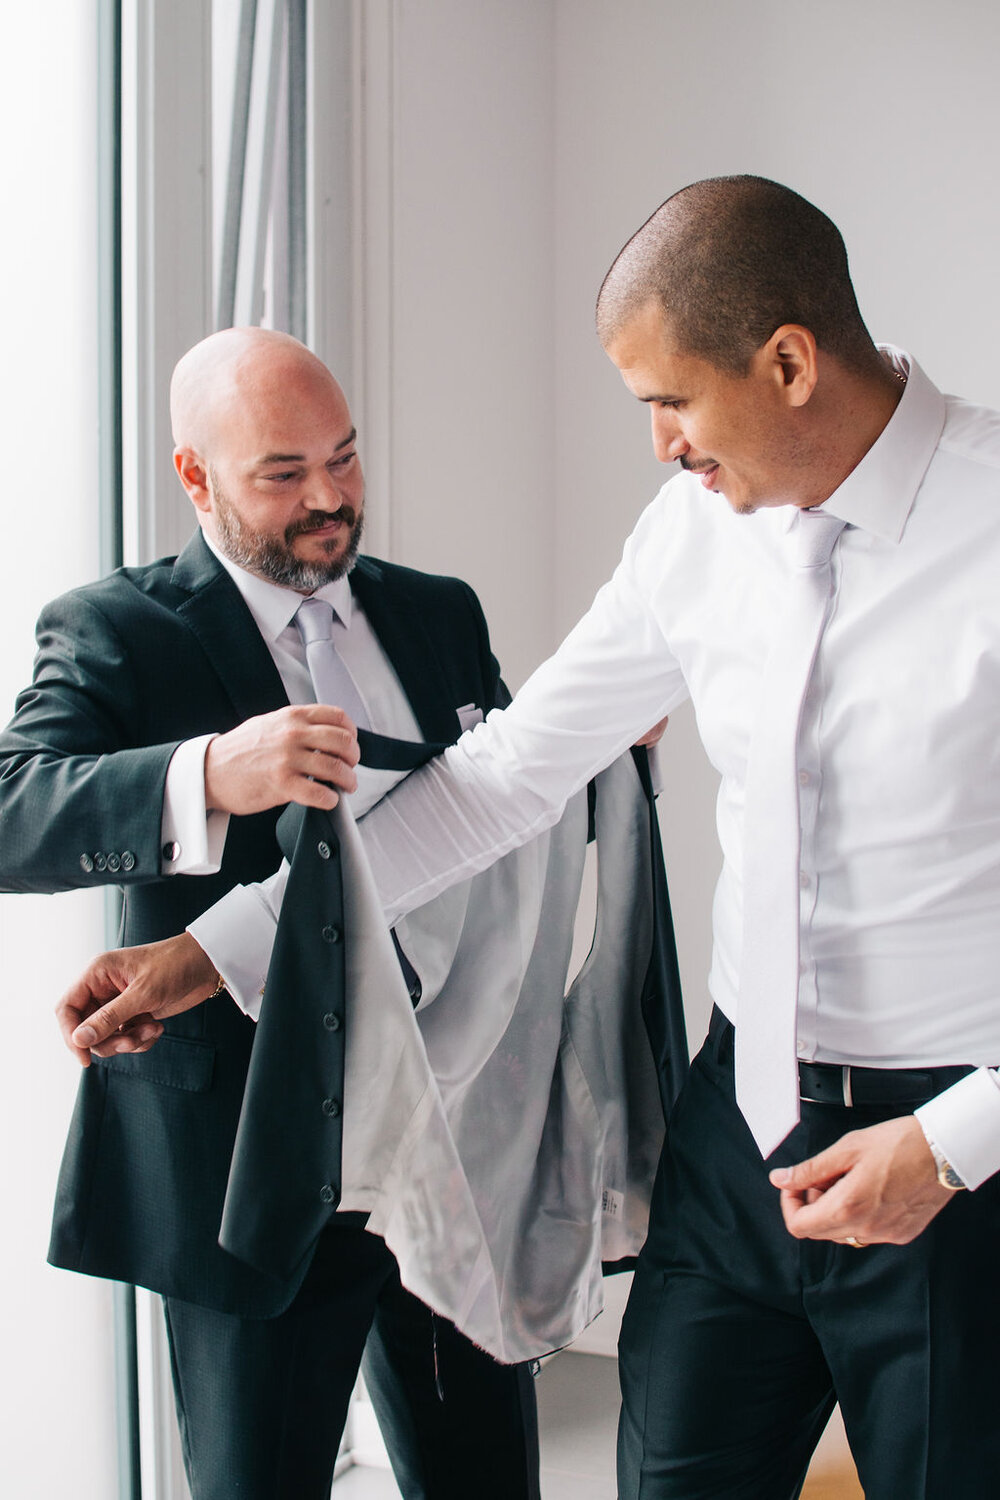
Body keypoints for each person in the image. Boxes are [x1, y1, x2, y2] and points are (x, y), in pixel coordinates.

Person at [67, 176, 1000, 1498]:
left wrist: (958, 1142)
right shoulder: (690, 534)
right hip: (737, 1140)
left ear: (788, 362)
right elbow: (501, 782)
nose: (661, 442)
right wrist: (217, 952)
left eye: (670, 401)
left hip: (956, 1153)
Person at [0, 327, 544, 1500]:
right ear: (195, 476)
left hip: (445, 1145)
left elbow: (499, 826)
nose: (332, 499)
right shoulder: (116, 629)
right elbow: (11, 813)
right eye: (284, 474)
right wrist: (202, 774)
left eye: (344, 458)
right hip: (241, 1161)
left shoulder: (439, 610)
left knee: (489, 1478)